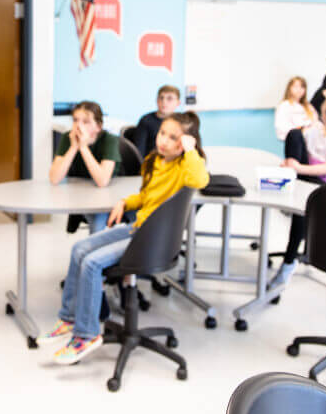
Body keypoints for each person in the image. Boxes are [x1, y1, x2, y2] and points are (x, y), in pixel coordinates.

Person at [39, 112, 209, 365]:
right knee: (79, 248)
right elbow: (146, 198)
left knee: (92, 263)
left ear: (186, 141)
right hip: (138, 228)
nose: (163, 140)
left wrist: (191, 151)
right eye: (162, 133)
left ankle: (87, 335)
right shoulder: (156, 161)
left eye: (173, 138)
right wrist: (124, 202)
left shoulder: (185, 167)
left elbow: (200, 180)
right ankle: (70, 317)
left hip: (151, 239)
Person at [272, 93, 326, 291]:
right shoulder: (316, 130)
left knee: (302, 207)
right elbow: (297, 142)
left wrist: (296, 168)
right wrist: (291, 164)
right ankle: (290, 180)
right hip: (307, 178)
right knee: (294, 134)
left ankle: (288, 263)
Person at [49, 100, 122, 233]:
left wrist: (83, 147)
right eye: (75, 120)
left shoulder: (109, 140)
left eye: (85, 122)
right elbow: (54, 178)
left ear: (98, 126)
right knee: (95, 217)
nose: (78, 126)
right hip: (84, 195)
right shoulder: (68, 138)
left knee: (98, 218)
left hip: (110, 195)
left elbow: (102, 181)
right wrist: (73, 147)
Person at [130, 85, 181, 157]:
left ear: (178, 103)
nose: (164, 102)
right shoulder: (146, 120)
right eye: (161, 98)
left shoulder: (181, 122)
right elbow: (139, 153)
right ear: (157, 100)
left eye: (169, 98)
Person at [275, 76, 317, 141]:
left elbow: (315, 122)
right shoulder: (284, 106)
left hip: (310, 139)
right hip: (294, 140)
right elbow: (282, 127)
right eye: (295, 86)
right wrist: (301, 130)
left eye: (302, 87)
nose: (299, 89)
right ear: (289, 88)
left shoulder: (308, 106)